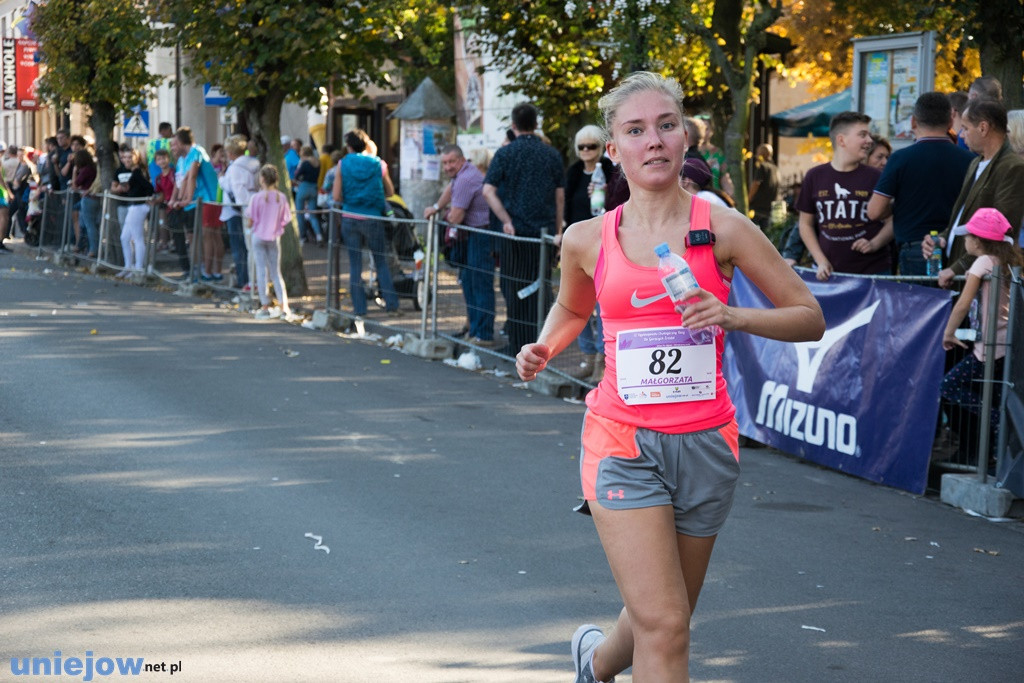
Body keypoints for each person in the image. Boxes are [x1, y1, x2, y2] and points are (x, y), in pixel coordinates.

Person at [515, 71, 825, 683]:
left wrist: (732, 315)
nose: (653, 141)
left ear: (685, 138)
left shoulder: (725, 227)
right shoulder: (585, 238)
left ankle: (594, 665)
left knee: (665, 612)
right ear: (614, 151)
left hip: (706, 442)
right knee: (666, 624)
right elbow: (576, 308)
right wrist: (544, 347)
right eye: (635, 130)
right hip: (621, 440)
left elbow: (810, 318)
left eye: (665, 125)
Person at [482, 101, 565, 353]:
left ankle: (518, 344)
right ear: (536, 124)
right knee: (541, 287)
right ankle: (541, 344)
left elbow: (488, 190)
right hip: (544, 232)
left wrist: (505, 220)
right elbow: (560, 195)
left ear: (514, 125)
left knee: (513, 286)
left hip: (515, 233)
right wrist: (558, 229)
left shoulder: (505, 153)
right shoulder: (551, 154)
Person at [940, 207, 1021, 460]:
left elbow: (963, 304)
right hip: (1007, 343)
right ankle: (998, 450)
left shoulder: (984, 262)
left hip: (989, 348)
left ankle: (998, 420)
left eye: (968, 235)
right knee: (999, 395)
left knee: (949, 385)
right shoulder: (1010, 260)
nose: (965, 240)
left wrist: (948, 333)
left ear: (978, 240)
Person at [867, 92, 975, 276]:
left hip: (914, 249)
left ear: (913, 122)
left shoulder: (900, 159)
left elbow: (874, 211)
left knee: (919, 304)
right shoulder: (970, 160)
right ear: (950, 122)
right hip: (960, 250)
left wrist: (900, 206)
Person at [923, 98, 1024, 287]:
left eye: (966, 128)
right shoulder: (975, 162)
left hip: (979, 275)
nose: (961, 135)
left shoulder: (1013, 167)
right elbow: (962, 214)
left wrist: (958, 268)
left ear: (983, 128)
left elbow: (999, 231)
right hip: (956, 266)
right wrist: (941, 238)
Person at [796, 111, 893, 280]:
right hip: (830, 275)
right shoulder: (815, 176)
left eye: (869, 135)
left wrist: (874, 243)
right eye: (862, 135)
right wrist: (821, 261)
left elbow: (893, 220)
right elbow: (805, 224)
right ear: (841, 140)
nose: (869, 141)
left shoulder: (876, 177)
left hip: (873, 274)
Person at [425, 144, 497, 345]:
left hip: (479, 236)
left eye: (451, 162)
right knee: (470, 283)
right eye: (444, 163)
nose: (447, 167)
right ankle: (474, 331)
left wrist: (444, 214)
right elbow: (450, 190)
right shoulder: (463, 174)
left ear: (461, 160)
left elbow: (456, 217)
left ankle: (483, 334)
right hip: (472, 236)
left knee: (479, 284)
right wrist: (437, 207)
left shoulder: (466, 178)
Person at [564, 125, 616, 380]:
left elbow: (619, 203)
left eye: (592, 146)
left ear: (601, 147)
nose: (586, 151)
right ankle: (588, 356)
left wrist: (606, 194)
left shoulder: (610, 171)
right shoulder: (573, 172)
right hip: (578, 246)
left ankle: (603, 359)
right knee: (577, 302)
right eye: (582, 147)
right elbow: (566, 206)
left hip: (604, 244)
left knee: (601, 304)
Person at [332, 128, 399, 315]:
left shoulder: (343, 164)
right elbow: (391, 191)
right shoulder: (378, 163)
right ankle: (392, 304)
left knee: (354, 265)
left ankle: (360, 309)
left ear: (348, 146)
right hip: (372, 217)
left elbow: (336, 195)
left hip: (350, 217)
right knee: (381, 262)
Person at [167, 127, 218, 278]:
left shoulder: (197, 151)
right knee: (192, 237)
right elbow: (181, 180)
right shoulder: (181, 160)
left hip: (207, 200)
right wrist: (176, 199)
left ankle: (208, 272)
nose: (172, 148)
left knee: (207, 236)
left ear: (182, 143)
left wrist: (187, 199)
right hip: (191, 203)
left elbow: (192, 176)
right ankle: (197, 268)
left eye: (174, 144)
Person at [245, 164, 294, 321]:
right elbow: (285, 218)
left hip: (258, 236)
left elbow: (250, 220)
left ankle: (265, 303)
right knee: (275, 272)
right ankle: (283, 304)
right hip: (273, 236)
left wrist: (249, 227)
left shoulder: (256, 198)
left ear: (263, 179)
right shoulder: (281, 197)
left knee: (261, 270)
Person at [220, 135, 261, 292]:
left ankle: (246, 281)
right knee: (251, 248)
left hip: (241, 210)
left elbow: (237, 191)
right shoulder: (255, 162)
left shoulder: (236, 167)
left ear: (230, 152)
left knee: (242, 248)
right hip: (255, 206)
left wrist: (222, 180)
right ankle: (252, 280)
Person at [110, 147, 152, 279]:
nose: (127, 160)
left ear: (136, 157)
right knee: (125, 237)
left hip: (139, 206)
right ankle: (128, 266)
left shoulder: (139, 171)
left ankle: (139, 267)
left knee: (138, 238)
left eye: (130, 157)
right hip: (132, 206)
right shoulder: (134, 172)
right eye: (125, 157)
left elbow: (148, 187)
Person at [71, 148, 99, 257]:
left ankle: (93, 249)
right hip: (89, 198)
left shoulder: (86, 170)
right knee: (83, 222)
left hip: (88, 199)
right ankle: (82, 245)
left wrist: (74, 172)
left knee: (89, 225)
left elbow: (75, 185)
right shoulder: (92, 168)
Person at [698, 118, 735, 198]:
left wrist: (729, 193)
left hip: (714, 198)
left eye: (706, 129)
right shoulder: (687, 152)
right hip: (694, 199)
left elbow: (724, 177)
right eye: (700, 128)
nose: (703, 132)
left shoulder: (718, 153)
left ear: (712, 131)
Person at [294, 145, 323, 244]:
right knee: (313, 214)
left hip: (304, 187)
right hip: (314, 188)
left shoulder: (305, 163)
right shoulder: (317, 162)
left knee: (299, 213)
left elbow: (296, 175)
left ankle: (303, 236)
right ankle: (319, 235)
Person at [748, 143, 780, 231]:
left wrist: (748, 199)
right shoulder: (775, 168)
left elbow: (756, 184)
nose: (756, 155)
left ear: (763, 154)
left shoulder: (762, 167)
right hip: (769, 208)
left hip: (757, 209)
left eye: (758, 153)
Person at [151, 148, 175, 253]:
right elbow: (161, 193)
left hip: (175, 204)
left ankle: (175, 243)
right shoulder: (158, 178)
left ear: (168, 159)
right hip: (164, 204)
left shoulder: (173, 174)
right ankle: (164, 243)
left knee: (174, 225)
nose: (162, 161)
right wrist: (154, 201)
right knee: (162, 224)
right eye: (159, 159)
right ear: (156, 162)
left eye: (164, 158)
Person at [147, 122, 174, 189]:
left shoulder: (150, 144)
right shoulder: (170, 142)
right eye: (170, 131)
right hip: (169, 181)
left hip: (155, 181)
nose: (172, 133)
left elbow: (146, 160)